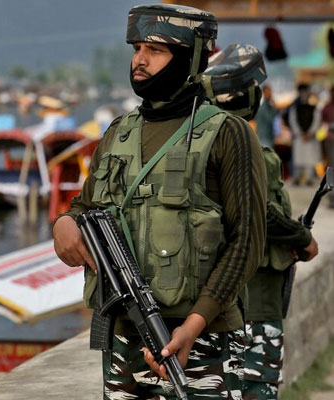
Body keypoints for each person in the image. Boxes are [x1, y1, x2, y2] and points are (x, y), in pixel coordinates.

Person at [52, 4, 267, 398]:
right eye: (136, 48)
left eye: (156, 49)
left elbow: (247, 242)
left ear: (191, 57)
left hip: (205, 341)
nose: (140, 60)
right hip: (124, 340)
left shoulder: (228, 133)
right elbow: (83, 208)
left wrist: (194, 324)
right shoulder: (117, 133)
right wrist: (63, 224)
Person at [203, 43, 319, 400]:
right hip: (256, 292)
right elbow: (262, 214)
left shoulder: (203, 144)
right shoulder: (251, 149)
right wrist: (302, 239)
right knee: (259, 384)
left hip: (218, 290)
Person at [288, 84, 322, 186]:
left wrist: (310, 133)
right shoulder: (294, 108)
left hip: (309, 138)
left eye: (305, 91)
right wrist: (300, 133)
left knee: (309, 160)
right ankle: (297, 178)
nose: (303, 94)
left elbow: (316, 121)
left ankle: (309, 178)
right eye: (301, 91)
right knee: (298, 160)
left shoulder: (314, 108)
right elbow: (292, 121)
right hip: (299, 138)